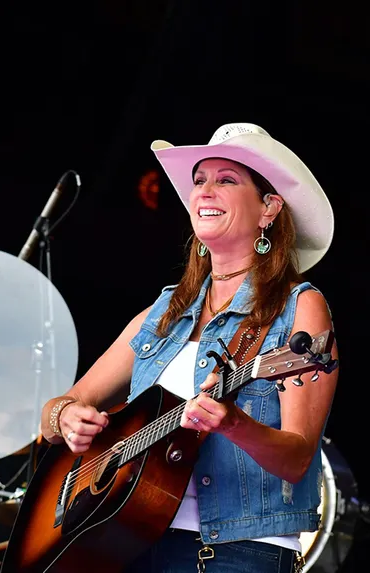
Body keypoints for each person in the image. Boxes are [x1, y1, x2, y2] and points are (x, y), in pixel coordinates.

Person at [39, 123, 339, 573]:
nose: (205, 191)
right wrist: (65, 417)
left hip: (235, 551)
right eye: (199, 181)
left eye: (226, 180)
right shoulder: (163, 312)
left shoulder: (301, 307)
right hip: (126, 541)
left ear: (269, 208)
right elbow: (56, 412)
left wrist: (235, 423)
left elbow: (297, 459)